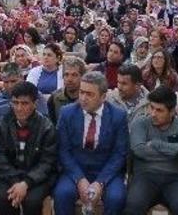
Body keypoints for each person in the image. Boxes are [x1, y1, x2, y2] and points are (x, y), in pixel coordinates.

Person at [53, 71, 129, 215]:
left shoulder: (118, 116)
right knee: (62, 194)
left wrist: (100, 182)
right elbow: (63, 151)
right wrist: (79, 179)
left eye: (89, 94)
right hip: (75, 169)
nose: (83, 98)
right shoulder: (67, 113)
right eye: (81, 92)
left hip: (106, 170)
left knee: (117, 197)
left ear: (103, 97)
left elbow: (119, 154)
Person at [124, 86, 178, 215]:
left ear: (172, 111)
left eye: (159, 110)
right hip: (145, 177)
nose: (153, 114)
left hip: (175, 179)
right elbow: (139, 150)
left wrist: (156, 144)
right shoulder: (140, 123)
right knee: (133, 207)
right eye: (151, 108)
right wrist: (175, 152)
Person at [0, 81, 58, 215]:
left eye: (24, 103)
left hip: (37, 177)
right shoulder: (3, 124)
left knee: (32, 201)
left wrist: (26, 183)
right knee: (1, 198)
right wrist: (16, 182)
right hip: (9, 175)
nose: (19, 108)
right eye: (15, 103)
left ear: (35, 104)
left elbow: (47, 162)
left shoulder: (46, 127)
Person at [48, 56, 86, 125]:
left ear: (82, 77)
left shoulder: (88, 98)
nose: (69, 79)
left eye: (74, 75)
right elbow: (52, 126)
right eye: (66, 74)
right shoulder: (54, 98)